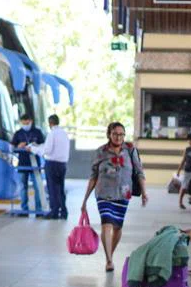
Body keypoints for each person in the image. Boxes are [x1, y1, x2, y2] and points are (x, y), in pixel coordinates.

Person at [81, 122, 147, 273]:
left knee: (117, 227)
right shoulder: (101, 152)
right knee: (107, 224)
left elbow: (139, 172)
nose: (118, 137)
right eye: (115, 134)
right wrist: (85, 200)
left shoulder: (130, 150)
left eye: (121, 134)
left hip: (123, 194)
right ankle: (109, 260)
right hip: (104, 193)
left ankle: (110, 252)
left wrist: (144, 192)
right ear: (109, 134)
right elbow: (93, 177)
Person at [32, 114, 70, 220]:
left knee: (52, 188)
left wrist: (34, 149)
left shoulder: (52, 134)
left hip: (52, 163)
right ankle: (63, 212)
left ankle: (54, 212)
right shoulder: (64, 133)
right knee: (60, 188)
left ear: (50, 123)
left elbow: (47, 150)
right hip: (62, 164)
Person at [12, 113, 45, 214]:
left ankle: (38, 209)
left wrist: (35, 146)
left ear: (31, 122)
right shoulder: (18, 133)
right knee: (23, 186)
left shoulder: (37, 132)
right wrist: (19, 146)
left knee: (37, 186)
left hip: (35, 164)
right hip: (23, 163)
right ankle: (24, 208)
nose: (26, 124)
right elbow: (13, 147)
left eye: (27, 122)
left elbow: (43, 145)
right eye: (24, 123)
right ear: (21, 122)